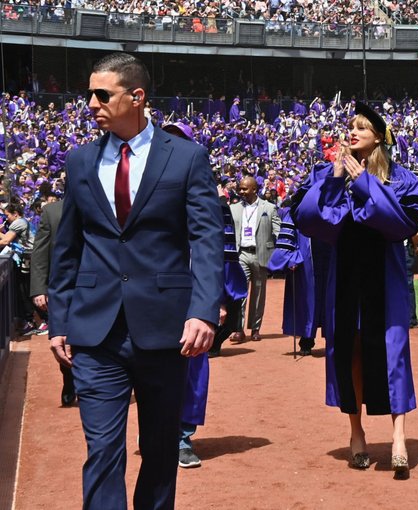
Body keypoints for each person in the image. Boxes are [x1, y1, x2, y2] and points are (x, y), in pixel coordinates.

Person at [47, 53, 223, 509]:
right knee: (102, 451)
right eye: (89, 94)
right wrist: (59, 321)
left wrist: (203, 310)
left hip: (165, 332)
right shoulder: (80, 161)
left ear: (136, 96)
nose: (91, 103)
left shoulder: (187, 158)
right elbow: (68, 248)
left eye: (101, 94)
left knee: (161, 451)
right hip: (94, 332)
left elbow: (206, 240)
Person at [292, 102, 418, 478]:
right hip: (345, 276)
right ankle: (357, 432)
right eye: (350, 126)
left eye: (362, 128)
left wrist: (366, 183)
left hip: (386, 277)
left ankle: (399, 436)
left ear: (379, 137)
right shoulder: (327, 173)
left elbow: (402, 224)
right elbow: (310, 220)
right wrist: (335, 179)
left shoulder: (400, 178)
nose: (352, 132)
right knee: (348, 351)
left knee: (393, 350)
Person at [161, 121, 247, 469]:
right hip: (152, 296)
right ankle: (156, 430)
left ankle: (182, 436)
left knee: (193, 368)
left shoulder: (210, 197)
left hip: (193, 296)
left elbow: (219, 254)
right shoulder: (141, 190)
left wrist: (219, 300)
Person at [29, 197, 75, 406]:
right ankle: (69, 380)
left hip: (96, 288)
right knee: (62, 339)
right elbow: (40, 253)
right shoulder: (51, 211)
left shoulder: (100, 204)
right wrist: (39, 289)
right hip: (60, 289)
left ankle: (88, 384)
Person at [267, 195, 327, 356]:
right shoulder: (296, 210)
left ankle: (333, 337)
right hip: (307, 262)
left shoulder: (333, 204)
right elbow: (287, 237)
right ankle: (307, 339)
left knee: (331, 299)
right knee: (308, 300)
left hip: (330, 259)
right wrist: (291, 257)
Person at [229, 175, 280, 342]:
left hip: (261, 254)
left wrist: (283, 251)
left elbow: (277, 229)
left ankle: (255, 328)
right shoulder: (233, 208)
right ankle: (238, 328)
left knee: (259, 293)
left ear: (254, 189)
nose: (241, 191)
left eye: (245, 188)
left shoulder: (269, 208)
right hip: (241, 253)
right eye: (240, 188)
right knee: (240, 293)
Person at [0, 202, 35, 335]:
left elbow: (5, 241)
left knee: (24, 289)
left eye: (7, 215)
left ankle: (33, 321)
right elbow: (8, 238)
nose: (6, 218)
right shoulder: (20, 222)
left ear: (15, 214)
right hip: (29, 258)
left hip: (29, 258)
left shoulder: (18, 222)